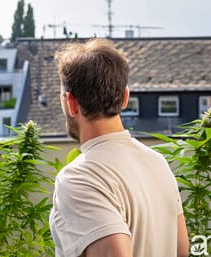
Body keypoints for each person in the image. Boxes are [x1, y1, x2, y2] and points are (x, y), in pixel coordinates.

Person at [49, 39, 189, 257]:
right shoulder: (157, 162)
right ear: (125, 98)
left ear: (71, 102)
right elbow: (181, 248)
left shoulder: (79, 178)